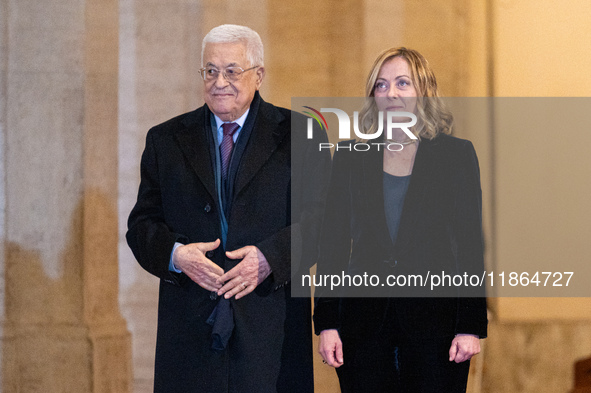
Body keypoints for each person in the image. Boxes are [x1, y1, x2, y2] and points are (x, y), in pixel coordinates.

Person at [127, 24, 329, 393]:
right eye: (210, 71)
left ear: (259, 76)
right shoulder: (165, 139)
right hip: (189, 331)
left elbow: (323, 222)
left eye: (232, 71)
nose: (220, 82)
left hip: (271, 326)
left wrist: (270, 258)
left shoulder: (303, 134)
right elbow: (142, 225)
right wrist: (177, 255)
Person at [313, 47, 488, 392]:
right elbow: (332, 245)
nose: (391, 93)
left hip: (437, 327)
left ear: (423, 91)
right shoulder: (349, 157)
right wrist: (328, 323)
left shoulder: (456, 156)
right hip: (362, 328)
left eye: (402, 83)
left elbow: (470, 244)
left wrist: (469, 325)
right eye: (381, 85)